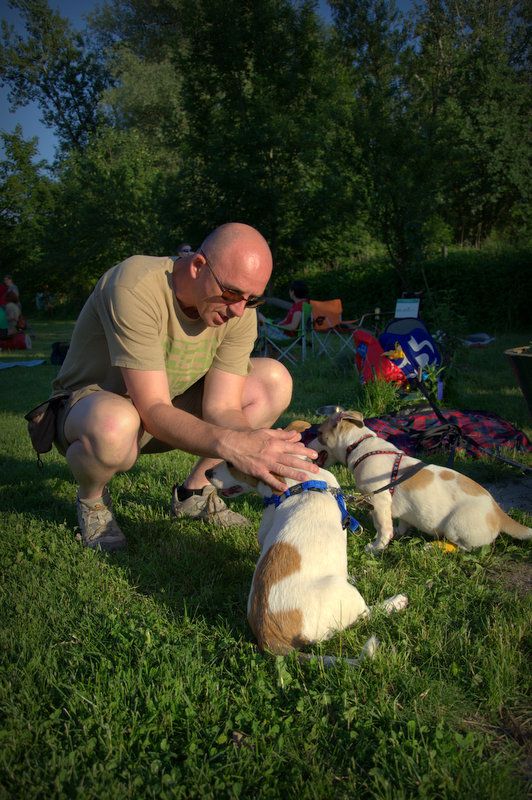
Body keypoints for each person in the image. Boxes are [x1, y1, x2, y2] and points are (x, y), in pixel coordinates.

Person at [49, 223, 318, 552]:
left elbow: (222, 408)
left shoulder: (240, 309)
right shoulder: (135, 285)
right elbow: (152, 408)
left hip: (164, 410)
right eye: (232, 293)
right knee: (114, 422)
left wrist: (253, 441)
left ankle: (195, 493)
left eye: (252, 299)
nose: (238, 309)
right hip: (92, 412)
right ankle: (92, 501)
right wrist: (233, 445)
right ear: (197, 266)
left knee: (272, 381)